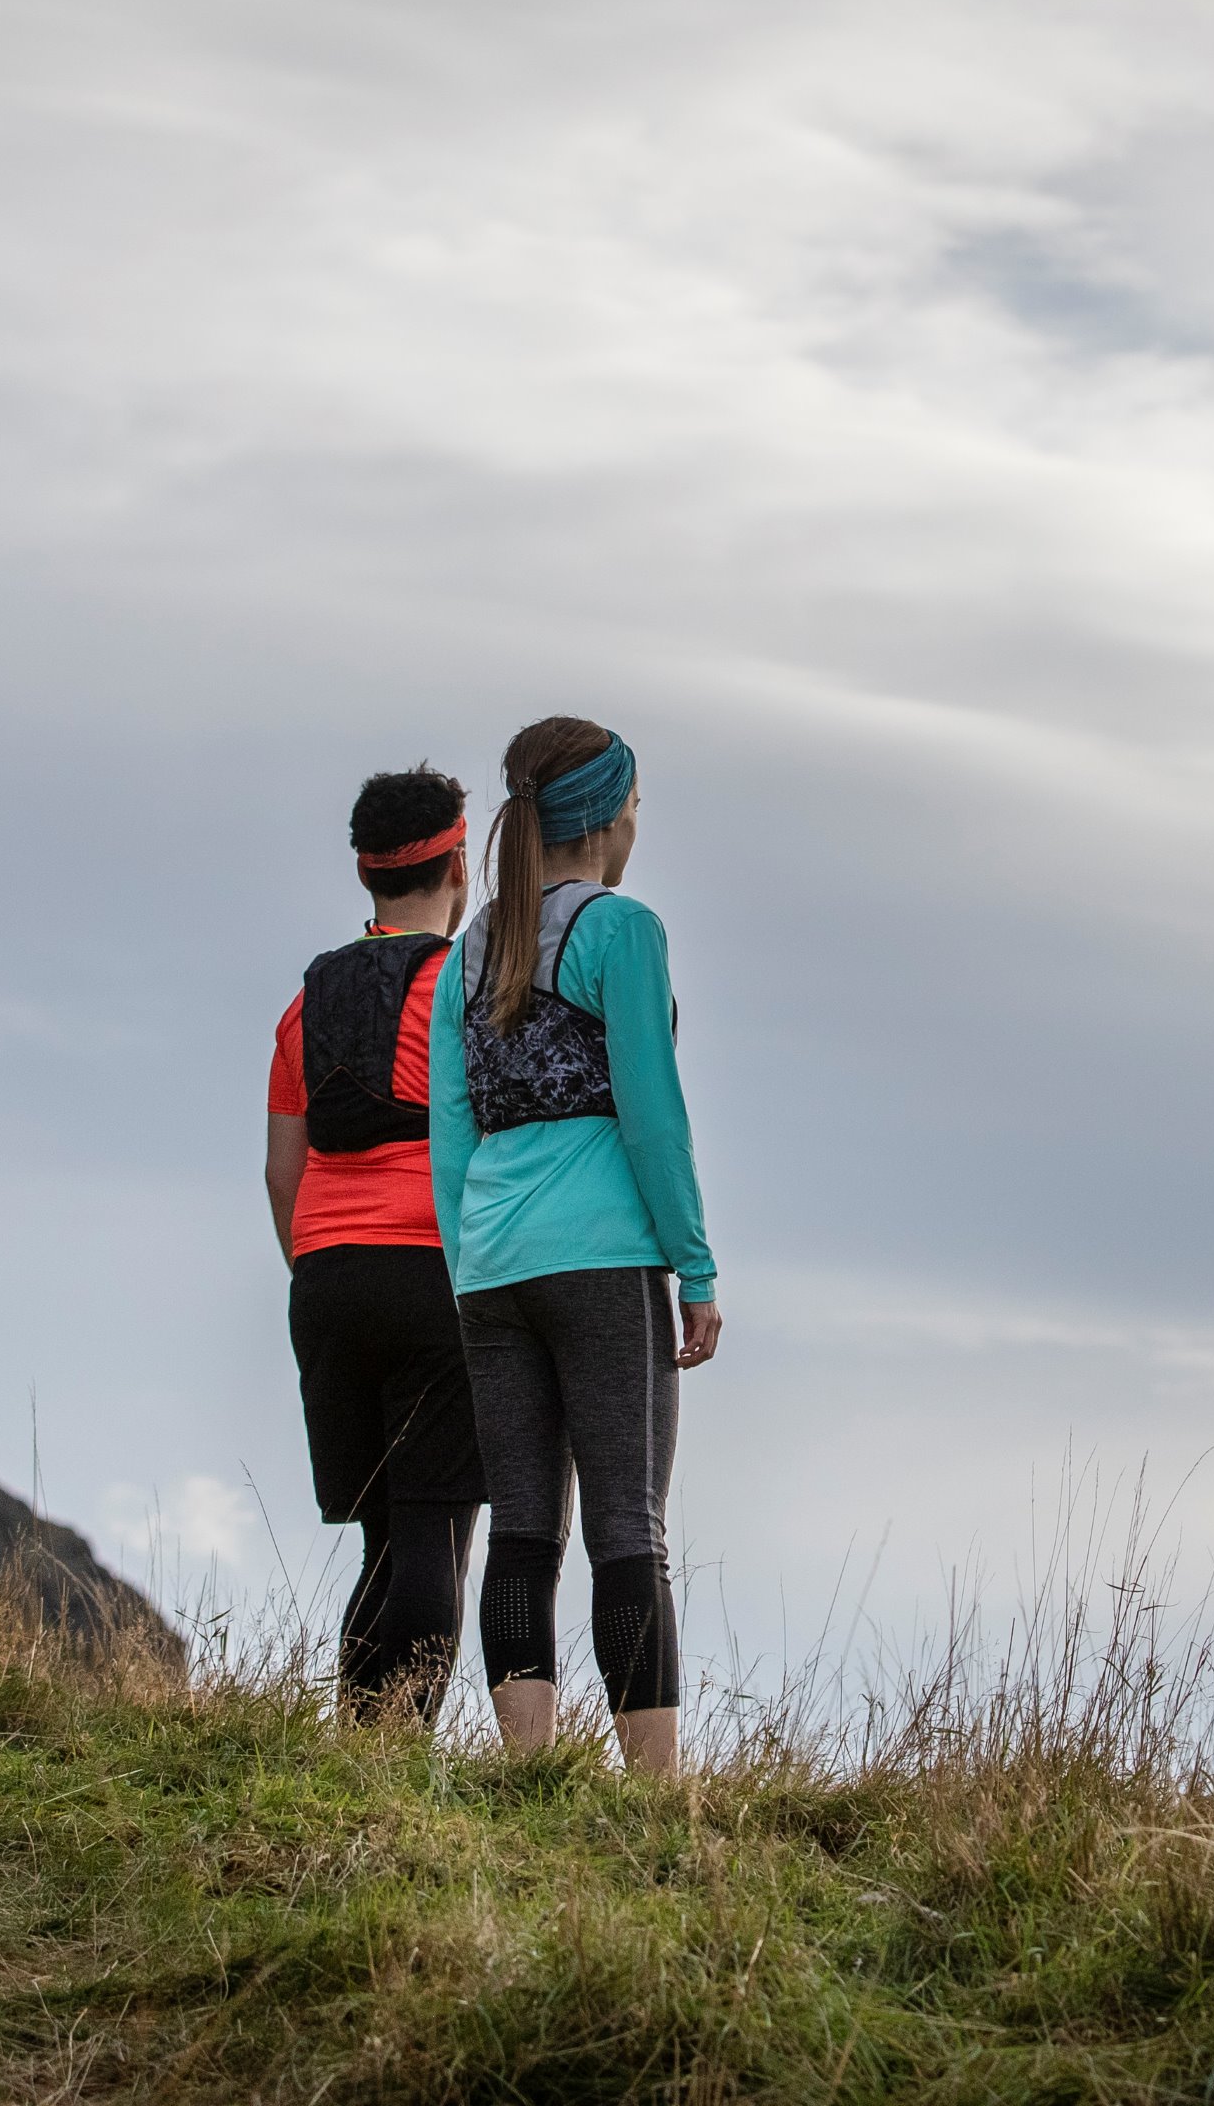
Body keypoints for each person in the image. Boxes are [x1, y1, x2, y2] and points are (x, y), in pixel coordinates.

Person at [427, 716, 721, 1776]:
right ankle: (652, 1791)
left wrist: (469, 1277)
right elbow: (652, 1114)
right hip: (603, 1263)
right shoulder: (622, 932)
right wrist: (695, 1265)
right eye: (636, 806)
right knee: (628, 1527)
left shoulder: (470, 953)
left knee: (522, 1527)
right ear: (606, 816)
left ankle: (530, 1771)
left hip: (494, 1268)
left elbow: (449, 1135)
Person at [263, 764, 487, 1720]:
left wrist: (322, 1267)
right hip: (432, 1272)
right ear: (460, 865)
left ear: (368, 876)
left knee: (384, 1538)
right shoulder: (468, 991)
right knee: (434, 1534)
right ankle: (393, 1759)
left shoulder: (305, 1004)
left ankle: (357, 1749)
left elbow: (284, 1171)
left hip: (325, 1278)